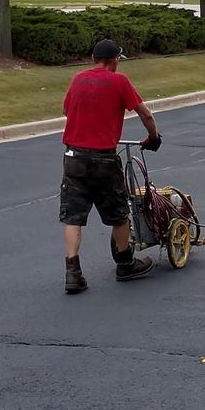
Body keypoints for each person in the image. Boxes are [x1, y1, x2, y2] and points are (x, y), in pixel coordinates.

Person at [59, 38, 162, 294]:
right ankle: (125, 265)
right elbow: (145, 113)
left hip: (73, 157)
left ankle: (73, 273)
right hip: (103, 159)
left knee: (73, 216)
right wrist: (154, 138)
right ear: (115, 59)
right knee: (118, 212)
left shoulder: (78, 79)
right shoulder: (119, 81)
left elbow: (66, 111)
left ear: (94, 59)